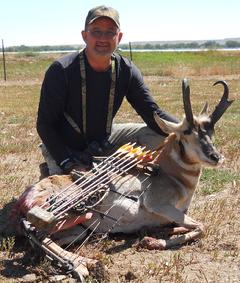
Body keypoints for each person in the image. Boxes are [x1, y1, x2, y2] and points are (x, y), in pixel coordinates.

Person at [37, 5, 178, 176]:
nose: (103, 38)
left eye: (110, 32)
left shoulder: (126, 70)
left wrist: (188, 129)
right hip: (64, 145)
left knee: (164, 134)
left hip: (104, 140)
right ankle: (55, 166)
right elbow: (45, 125)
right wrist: (68, 163)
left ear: (119, 37)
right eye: (96, 31)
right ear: (84, 35)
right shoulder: (61, 70)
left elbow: (152, 113)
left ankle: (107, 161)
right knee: (72, 194)